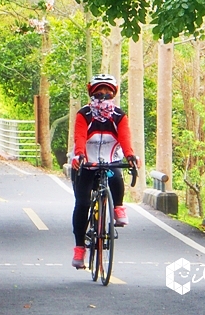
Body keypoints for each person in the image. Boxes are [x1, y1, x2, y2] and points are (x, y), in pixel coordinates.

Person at [69, 74, 138, 270]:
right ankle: (80, 248)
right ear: (92, 94)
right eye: (99, 93)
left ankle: (118, 207)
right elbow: (80, 137)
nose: (103, 97)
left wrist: (130, 156)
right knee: (82, 204)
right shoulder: (84, 115)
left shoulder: (119, 116)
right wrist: (80, 155)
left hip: (110, 159)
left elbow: (125, 138)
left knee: (116, 175)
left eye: (108, 93)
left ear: (114, 94)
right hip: (85, 161)